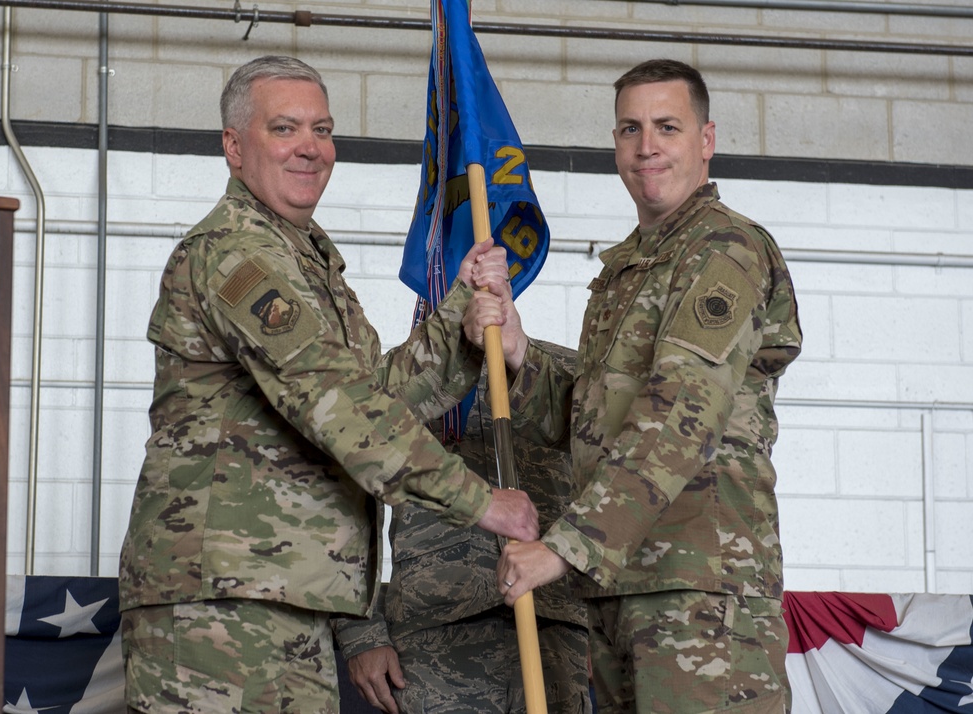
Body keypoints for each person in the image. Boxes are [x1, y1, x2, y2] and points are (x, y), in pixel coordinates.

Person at [117, 55, 538, 714]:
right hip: (220, 605)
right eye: (284, 129)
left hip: (290, 596)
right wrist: (483, 503)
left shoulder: (305, 260)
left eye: (322, 129)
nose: (310, 148)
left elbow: (378, 395)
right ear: (233, 146)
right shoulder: (236, 255)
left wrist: (458, 314)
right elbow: (338, 409)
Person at [493, 59, 803, 713]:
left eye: (667, 126)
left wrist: (566, 548)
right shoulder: (627, 270)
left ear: (706, 140)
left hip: (698, 590)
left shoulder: (724, 251)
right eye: (630, 129)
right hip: (622, 586)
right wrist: (518, 350)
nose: (647, 147)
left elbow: (680, 416)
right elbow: (593, 417)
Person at [333, 342, 592, 714]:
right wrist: (360, 632)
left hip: (554, 634)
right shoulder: (399, 378)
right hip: (433, 638)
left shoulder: (564, 374)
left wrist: (608, 629)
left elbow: (616, 496)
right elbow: (344, 503)